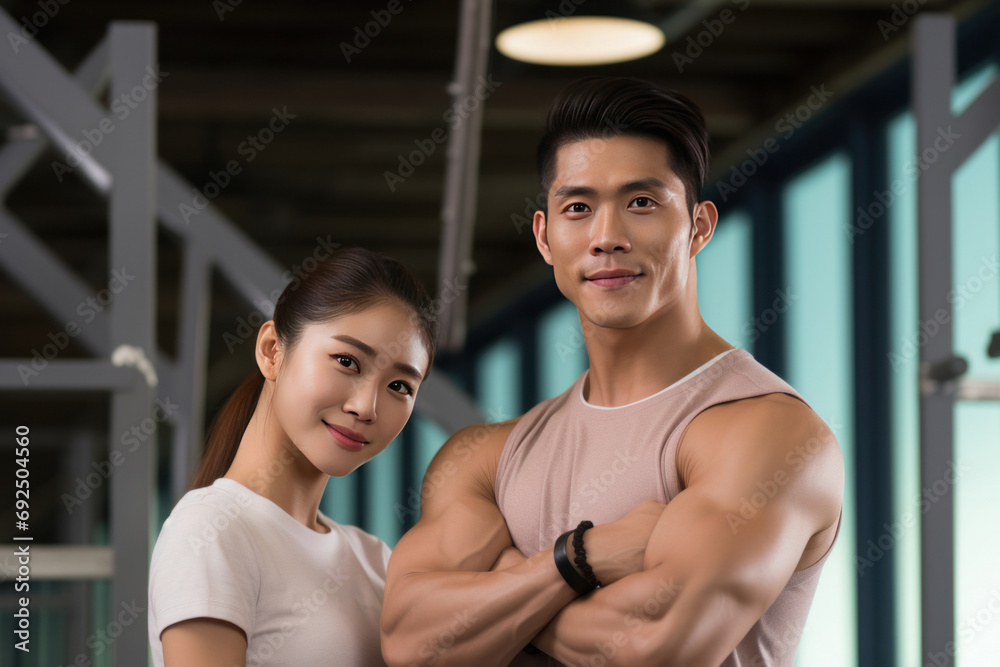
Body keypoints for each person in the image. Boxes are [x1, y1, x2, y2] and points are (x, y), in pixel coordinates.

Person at [381, 76, 844, 666]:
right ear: (545, 237)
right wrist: (581, 559)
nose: (607, 238)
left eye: (641, 203)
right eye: (578, 208)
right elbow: (410, 640)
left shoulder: (767, 434)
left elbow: (652, 646)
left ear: (699, 226)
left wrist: (506, 583)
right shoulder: (486, 455)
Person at [148, 246, 437, 667]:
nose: (367, 407)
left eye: (399, 387)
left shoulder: (375, 560)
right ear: (271, 350)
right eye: (347, 361)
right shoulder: (211, 530)